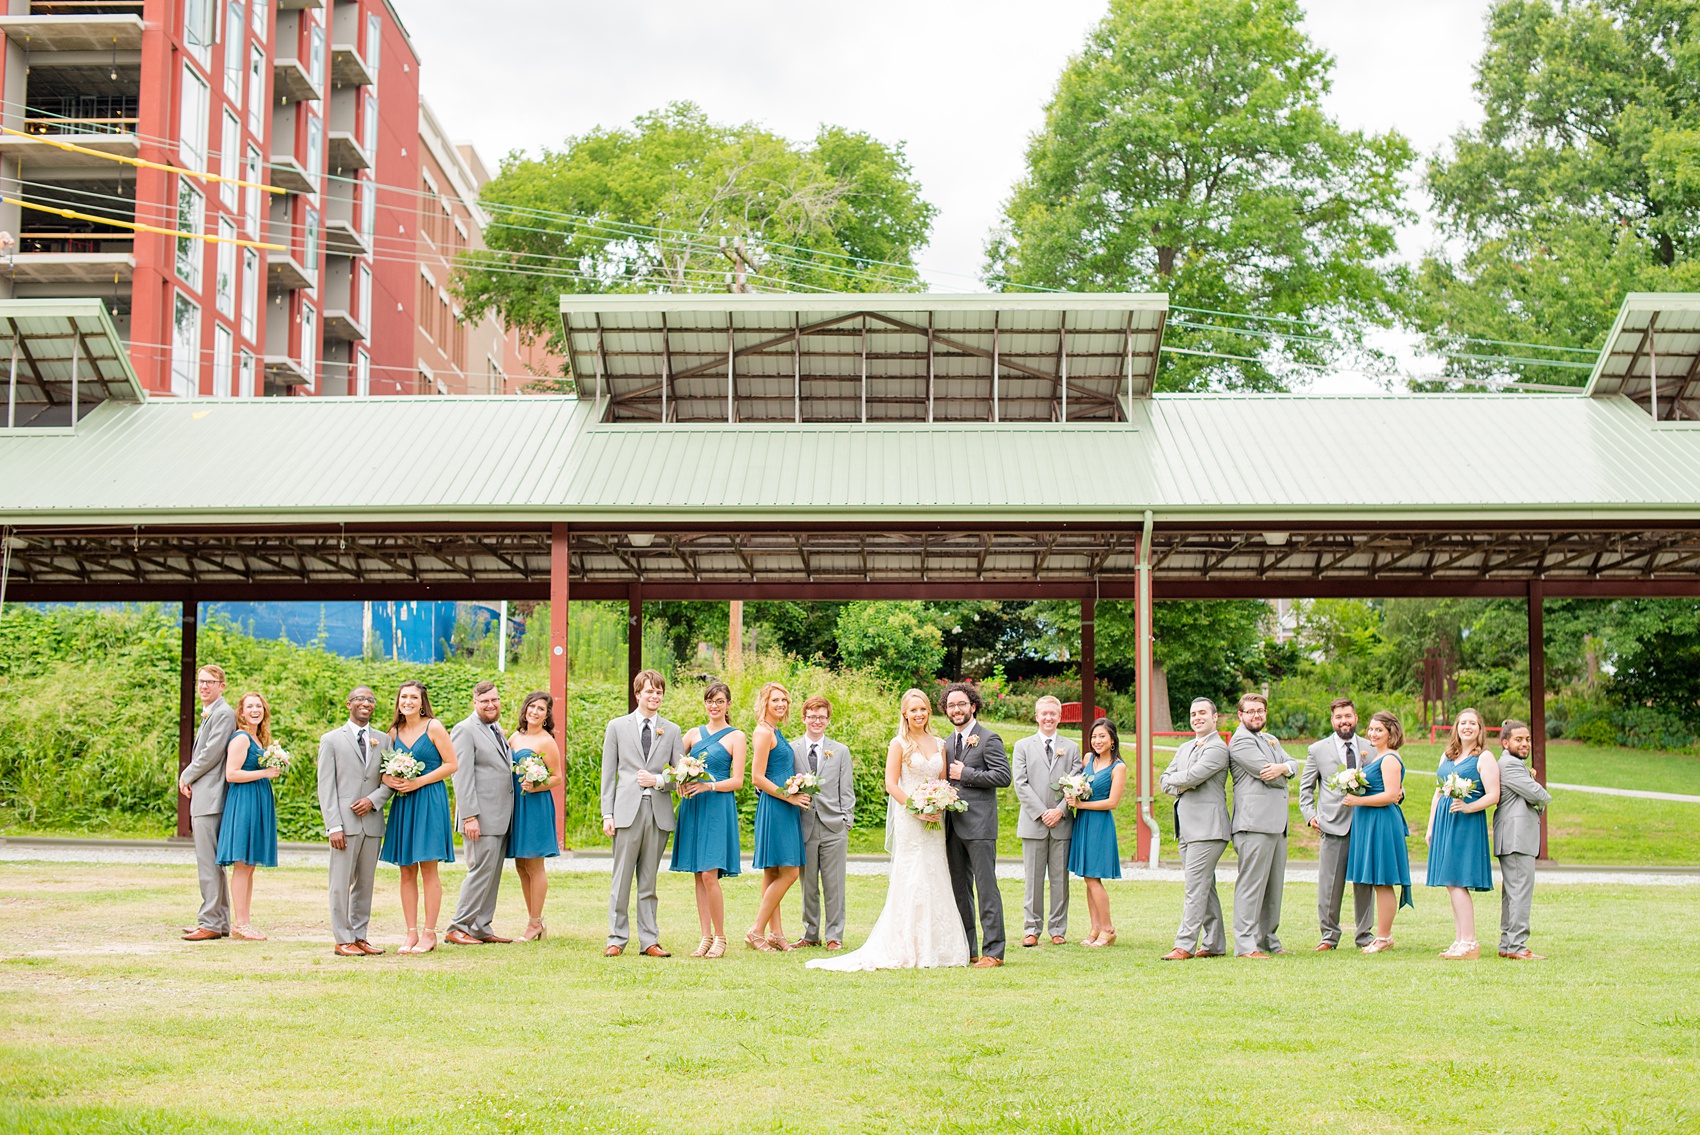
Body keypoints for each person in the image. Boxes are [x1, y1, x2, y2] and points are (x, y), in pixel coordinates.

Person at [808, 689, 969, 972]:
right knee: (913, 875)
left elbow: (942, 781)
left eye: (923, 709)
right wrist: (917, 808)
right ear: (905, 714)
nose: (919, 714)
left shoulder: (939, 743)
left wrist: (940, 804)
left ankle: (938, 946)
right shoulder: (899, 744)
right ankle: (906, 944)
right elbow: (891, 784)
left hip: (935, 818)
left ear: (928, 712)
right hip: (910, 817)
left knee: (935, 872)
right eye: (913, 710)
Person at [600, 669, 684, 958]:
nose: (655, 696)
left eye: (659, 692)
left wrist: (658, 780)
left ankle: (649, 940)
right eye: (650, 691)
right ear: (638, 694)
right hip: (625, 811)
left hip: (658, 812)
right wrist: (606, 814)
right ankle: (616, 938)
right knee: (621, 878)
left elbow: (679, 776)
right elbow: (608, 774)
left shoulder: (672, 730)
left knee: (649, 881)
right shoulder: (617, 727)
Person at [379, 680, 459, 955]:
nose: (408, 702)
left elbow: (452, 764)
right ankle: (411, 932)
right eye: (404, 697)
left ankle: (429, 933)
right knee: (405, 870)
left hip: (429, 800)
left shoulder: (433, 727)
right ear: (398, 701)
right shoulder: (392, 732)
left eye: (414, 697)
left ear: (422, 702)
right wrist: (390, 777)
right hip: (404, 803)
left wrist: (419, 781)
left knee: (428, 868)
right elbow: (383, 770)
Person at [670, 681, 746, 959]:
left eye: (720, 701)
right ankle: (705, 937)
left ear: (728, 704)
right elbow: (673, 764)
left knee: (710, 874)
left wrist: (708, 786)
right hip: (693, 806)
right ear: (705, 703)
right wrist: (679, 779)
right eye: (710, 701)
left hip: (717, 805)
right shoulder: (692, 733)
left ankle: (721, 937)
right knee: (698, 875)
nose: (714, 706)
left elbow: (737, 781)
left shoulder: (736, 736)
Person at [316, 686, 392, 957]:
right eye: (360, 699)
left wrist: (374, 800)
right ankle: (342, 938)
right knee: (340, 882)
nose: (366, 703)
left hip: (371, 823)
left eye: (370, 700)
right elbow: (326, 786)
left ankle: (360, 936)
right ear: (348, 704)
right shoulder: (331, 740)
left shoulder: (383, 740)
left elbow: (390, 780)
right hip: (344, 826)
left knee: (365, 883)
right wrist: (333, 825)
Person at [940, 682, 1011, 968]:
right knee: (960, 890)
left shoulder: (988, 738)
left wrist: (966, 773)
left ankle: (993, 951)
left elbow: (1003, 776)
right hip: (951, 826)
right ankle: (967, 949)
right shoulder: (946, 742)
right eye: (951, 705)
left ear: (973, 706)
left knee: (986, 888)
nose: (956, 710)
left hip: (980, 826)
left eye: (961, 704)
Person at [1300, 697, 1376, 952]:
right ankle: (1329, 936)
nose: (1344, 721)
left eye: (1348, 716)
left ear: (1356, 718)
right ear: (1332, 720)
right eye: (1339, 717)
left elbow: (1386, 781)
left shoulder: (1371, 748)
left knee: (1365, 883)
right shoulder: (1318, 750)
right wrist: (1311, 816)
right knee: (1329, 885)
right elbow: (1306, 789)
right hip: (1332, 826)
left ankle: (1364, 934)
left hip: (1365, 824)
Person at [1426, 706, 1499, 960]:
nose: (1467, 727)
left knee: (1457, 881)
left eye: (1473, 723)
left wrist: (1468, 807)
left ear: (1480, 729)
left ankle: (1470, 942)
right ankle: (1459, 940)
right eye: (1462, 723)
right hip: (1445, 822)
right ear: (1456, 728)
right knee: (1450, 882)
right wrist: (1431, 825)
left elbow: (1493, 795)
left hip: (1467, 823)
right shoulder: (1446, 756)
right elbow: (1437, 793)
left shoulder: (1485, 758)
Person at [446, 682, 516, 946]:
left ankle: (480, 926)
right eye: (485, 701)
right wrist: (469, 816)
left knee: (492, 875)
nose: (491, 705)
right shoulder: (464, 730)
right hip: (480, 817)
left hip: (501, 816)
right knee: (478, 873)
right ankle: (457, 926)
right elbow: (461, 776)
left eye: (495, 700)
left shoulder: (495, 728)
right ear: (474, 702)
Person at [1160, 697, 1230, 960]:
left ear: (1215, 718)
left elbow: (1192, 777)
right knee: (1204, 887)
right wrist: (1182, 783)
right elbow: (1164, 781)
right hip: (1186, 828)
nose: (1197, 717)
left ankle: (1185, 945)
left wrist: (1179, 781)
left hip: (1209, 829)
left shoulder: (1218, 749)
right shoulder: (1185, 747)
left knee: (1194, 887)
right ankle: (1214, 944)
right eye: (1193, 713)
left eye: (1203, 712)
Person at [1228, 692, 1297, 959]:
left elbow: (1293, 765)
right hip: (1254, 824)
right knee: (1251, 885)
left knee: (1273, 886)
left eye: (1260, 711)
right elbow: (1269, 776)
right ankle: (1245, 945)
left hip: (1277, 825)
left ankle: (1268, 939)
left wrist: (1283, 768)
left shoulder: (1270, 739)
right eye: (1251, 711)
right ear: (1240, 715)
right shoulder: (1240, 742)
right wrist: (1283, 771)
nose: (1256, 715)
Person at [1012, 695, 1081, 947]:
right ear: (1036, 716)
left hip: (1062, 823)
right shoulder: (1023, 746)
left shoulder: (1071, 748)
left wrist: (1061, 810)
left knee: (1060, 880)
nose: (1048, 718)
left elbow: (1076, 784)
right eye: (1044, 714)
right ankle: (1031, 928)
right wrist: (1043, 812)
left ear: (1060, 717)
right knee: (1032, 879)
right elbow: (1020, 783)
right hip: (1034, 822)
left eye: (1053, 713)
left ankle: (1058, 929)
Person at [1343, 710, 1414, 954]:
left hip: (1382, 823)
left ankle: (1384, 936)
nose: (1372, 733)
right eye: (1371, 729)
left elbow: (1392, 795)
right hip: (1370, 823)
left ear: (1391, 733)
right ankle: (1382, 936)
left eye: (1379, 730)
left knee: (1383, 881)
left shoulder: (1390, 759)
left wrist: (1357, 801)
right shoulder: (1377, 757)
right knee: (1375, 881)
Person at [746, 682, 808, 952]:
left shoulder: (775, 731)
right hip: (776, 806)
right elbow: (756, 777)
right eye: (775, 700)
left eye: (784, 700)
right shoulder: (762, 732)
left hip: (784, 804)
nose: (781, 704)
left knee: (773, 872)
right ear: (765, 703)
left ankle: (776, 933)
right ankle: (756, 930)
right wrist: (789, 795)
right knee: (791, 872)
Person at [215, 691, 281, 940]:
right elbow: (231, 774)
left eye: (259, 706)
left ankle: (244, 921)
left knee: (249, 865)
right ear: (241, 712)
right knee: (242, 864)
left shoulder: (259, 739)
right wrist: (264, 774)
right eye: (250, 706)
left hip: (258, 800)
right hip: (244, 801)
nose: (255, 710)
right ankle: (240, 924)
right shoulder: (241, 738)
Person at [178, 664, 236, 941]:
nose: (203, 686)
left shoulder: (223, 713)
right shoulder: (213, 712)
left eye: (210, 682)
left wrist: (186, 774)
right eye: (200, 681)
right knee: (213, 863)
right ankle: (219, 920)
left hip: (211, 796)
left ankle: (211, 921)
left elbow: (211, 753)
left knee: (208, 861)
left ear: (222, 686)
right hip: (207, 794)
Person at [794, 695, 855, 951]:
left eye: (822, 717)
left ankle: (834, 936)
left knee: (834, 885)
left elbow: (847, 790)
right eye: (812, 716)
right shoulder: (791, 748)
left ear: (828, 720)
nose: (816, 721)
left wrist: (846, 821)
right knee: (808, 885)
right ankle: (810, 934)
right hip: (803, 825)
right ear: (804, 718)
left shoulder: (840, 751)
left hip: (833, 826)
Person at [507, 690, 563, 943]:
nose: (535, 712)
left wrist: (535, 785)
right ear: (525, 708)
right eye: (532, 706)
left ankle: (534, 922)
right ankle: (534, 920)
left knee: (534, 863)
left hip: (536, 805)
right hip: (516, 805)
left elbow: (557, 777)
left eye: (541, 709)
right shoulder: (514, 737)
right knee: (520, 864)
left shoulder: (546, 741)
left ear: (547, 715)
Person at [1067, 717, 1128, 947]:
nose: (1097, 740)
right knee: (1087, 877)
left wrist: (1080, 805)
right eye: (1094, 736)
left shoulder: (1118, 767)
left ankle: (1109, 929)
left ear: (1112, 739)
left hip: (1099, 823)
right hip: (1083, 822)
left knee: (1094, 877)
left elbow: (1112, 802)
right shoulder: (1088, 759)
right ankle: (1095, 927)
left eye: (1102, 736)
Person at [1494, 719, 1550, 960]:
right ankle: (1517, 945)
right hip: (1516, 837)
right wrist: (1538, 798)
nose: (1525, 743)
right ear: (1505, 743)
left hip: (1511, 836)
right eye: (1519, 739)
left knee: (1512, 892)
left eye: (1527, 739)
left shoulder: (1511, 764)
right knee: (1520, 892)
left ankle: (1508, 943)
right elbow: (1539, 794)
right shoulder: (1511, 765)